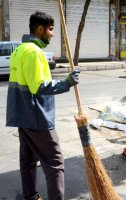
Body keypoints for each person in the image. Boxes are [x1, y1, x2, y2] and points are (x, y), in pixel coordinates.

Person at [6, 11, 80, 200]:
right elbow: (38, 86)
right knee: (55, 163)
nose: (53, 33)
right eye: (50, 29)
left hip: (23, 117)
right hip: (37, 118)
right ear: (40, 29)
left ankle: (30, 196)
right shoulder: (34, 52)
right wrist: (67, 83)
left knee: (28, 161)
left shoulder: (19, 50)